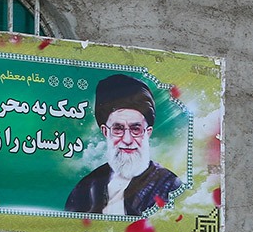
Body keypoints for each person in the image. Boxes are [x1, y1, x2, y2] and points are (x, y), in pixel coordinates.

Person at [64, 73, 183, 216]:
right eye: (118, 129)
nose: (127, 139)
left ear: (148, 132)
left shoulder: (169, 186)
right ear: (105, 131)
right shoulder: (85, 189)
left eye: (135, 129)